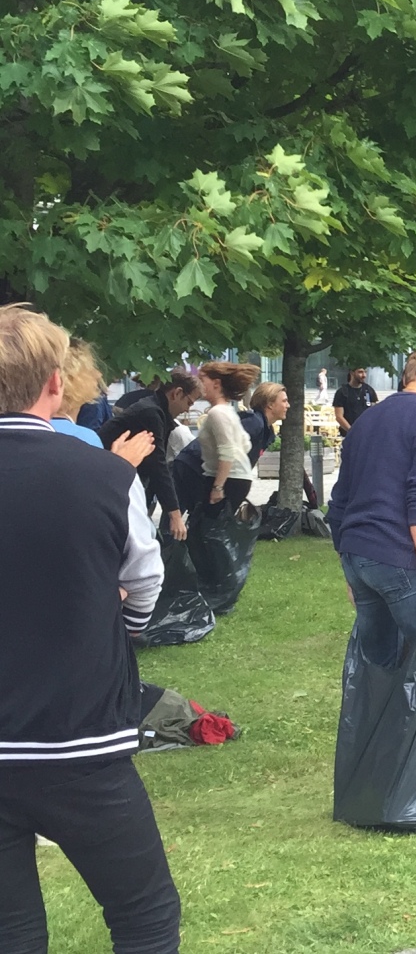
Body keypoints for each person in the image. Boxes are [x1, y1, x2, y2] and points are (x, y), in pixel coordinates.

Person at [0, 304, 179, 954]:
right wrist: (122, 623)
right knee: (144, 913)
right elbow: (146, 579)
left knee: (10, 929)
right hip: (79, 741)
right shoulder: (104, 474)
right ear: (55, 382)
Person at [327, 347, 416, 831]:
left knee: (380, 674)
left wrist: (350, 568)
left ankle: (371, 789)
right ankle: (415, 798)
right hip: (398, 559)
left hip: (358, 554)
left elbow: (339, 500)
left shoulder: (366, 419)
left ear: (406, 377)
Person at [99, 368, 199, 541]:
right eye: (189, 403)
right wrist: (175, 515)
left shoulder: (154, 410)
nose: (186, 410)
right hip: (109, 481)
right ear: (177, 393)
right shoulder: (151, 413)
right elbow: (158, 465)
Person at [173, 381, 285, 513]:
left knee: (199, 517)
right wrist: (218, 487)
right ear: (270, 404)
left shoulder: (265, 430)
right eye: (284, 401)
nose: (288, 405)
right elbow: (228, 451)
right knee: (181, 516)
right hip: (192, 466)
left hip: (199, 469)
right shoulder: (254, 423)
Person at [192, 361, 264, 514]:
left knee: (208, 525)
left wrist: (218, 487)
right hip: (237, 478)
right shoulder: (228, 411)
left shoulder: (217, 413)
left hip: (226, 480)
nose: (198, 384)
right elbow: (245, 444)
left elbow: (227, 451)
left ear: (216, 383)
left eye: (202, 379)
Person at [333, 367, 379, 434]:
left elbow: (374, 413)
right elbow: (339, 417)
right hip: (348, 434)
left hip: (366, 433)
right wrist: (353, 432)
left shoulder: (369, 390)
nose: (364, 375)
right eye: (360, 372)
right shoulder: (342, 392)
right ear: (352, 373)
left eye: (365, 372)